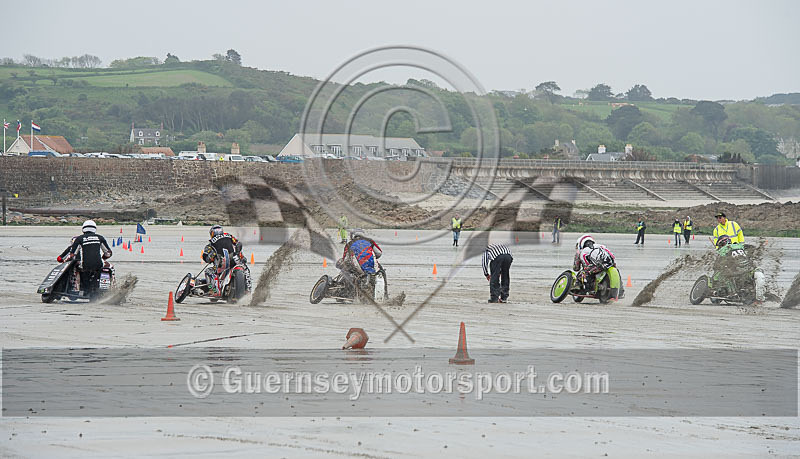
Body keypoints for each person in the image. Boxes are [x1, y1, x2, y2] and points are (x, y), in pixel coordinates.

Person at [58, 220, 112, 296]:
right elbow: (108, 253)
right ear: (95, 228)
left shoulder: (79, 239)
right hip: (98, 265)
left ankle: (82, 290)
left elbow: (72, 255)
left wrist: (65, 261)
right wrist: (103, 258)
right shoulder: (100, 238)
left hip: (85, 266)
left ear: (83, 229)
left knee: (79, 271)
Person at [713, 235, 765, 304]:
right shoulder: (739, 245)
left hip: (735, 271)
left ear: (722, 243)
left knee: (726, 275)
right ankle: (760, 296)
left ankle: (733, 293)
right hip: (747, 269)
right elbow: (752, 248)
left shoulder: (723, 249)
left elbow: (717, 265)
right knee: (758, 271)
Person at [201, 224, 250, 293]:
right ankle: (248, 289)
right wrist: (240, 256)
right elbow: (238, 244)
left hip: (221, 264)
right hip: (234, 259)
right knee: (245, 269)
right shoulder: (229, 236)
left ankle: (214, 290)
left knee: (208, 272)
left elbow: (206, 258)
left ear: (212, 233)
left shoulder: (211, 243)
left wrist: (211, 257)